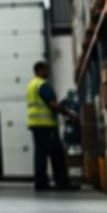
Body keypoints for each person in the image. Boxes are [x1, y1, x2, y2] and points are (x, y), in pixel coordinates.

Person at [27, 60, 79, 191]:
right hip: (46, 125)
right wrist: (69, 114)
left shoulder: (31, 84)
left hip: (36, 125)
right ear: (40, 70)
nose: (48, 72)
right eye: (46, 69)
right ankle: (62, 183)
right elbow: (53, 104)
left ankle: (41, 184)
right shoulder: (42, 85)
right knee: (57, 154)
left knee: (40, 155)